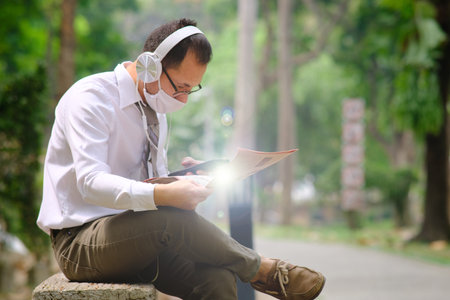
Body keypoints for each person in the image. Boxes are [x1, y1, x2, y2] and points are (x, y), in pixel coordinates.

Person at [37, 18, 325, 300]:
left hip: (138, 235)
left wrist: (182, 180)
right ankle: (262, 269)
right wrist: (164, 193)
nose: (184, 99)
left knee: (217, 277)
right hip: (80, 243)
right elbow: (90, 183)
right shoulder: (91, 99)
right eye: (181, 87)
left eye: (191, 89)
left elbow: (148, 185)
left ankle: (252, 269)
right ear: (150, 66)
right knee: (168, 217)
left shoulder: (155, 112)